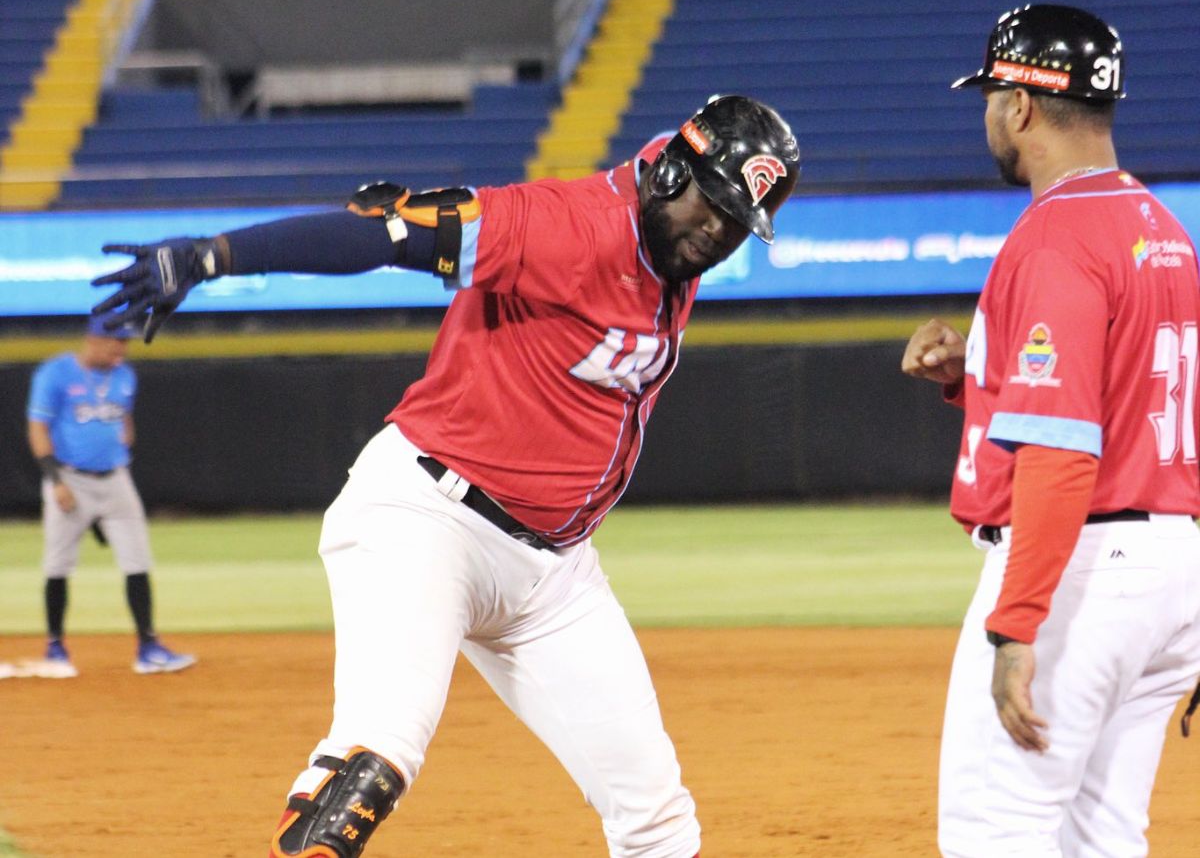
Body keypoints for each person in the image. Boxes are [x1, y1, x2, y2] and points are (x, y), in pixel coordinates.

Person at [89, 94, 799, 858]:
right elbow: (380, 238)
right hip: (429, 519)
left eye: (735, 222)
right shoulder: (564, 224)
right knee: (369, 768)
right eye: (711, 205)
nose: (716, 231)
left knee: (657, 819)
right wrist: (211, 257)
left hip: (554, 575)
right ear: (666, 176)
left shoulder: (670, 240)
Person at [902, 4, 1200, 857]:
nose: (987, 113)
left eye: (992, 94)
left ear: (1022, 108)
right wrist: (975, 382)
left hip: (1085, 575)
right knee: (1099, 839)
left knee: (996, 834)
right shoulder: (1161, 229)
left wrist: (1017, 623)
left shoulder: (1055, 238)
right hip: (1171, 574)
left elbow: (1064, 448)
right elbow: (1143, 406)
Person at [26, 312, 197, 678]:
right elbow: (38, 427)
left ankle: (148, 648)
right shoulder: (55, 374)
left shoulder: (124, 375)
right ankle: (55, 648)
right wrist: (54, 479)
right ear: (94, 339)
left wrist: (119, 449)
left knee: (138, 561)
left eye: (125, 341)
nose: (122, 348)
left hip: (116, 480)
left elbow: (125, 422)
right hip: (70, 481)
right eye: (116, 341)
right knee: (57, 565)